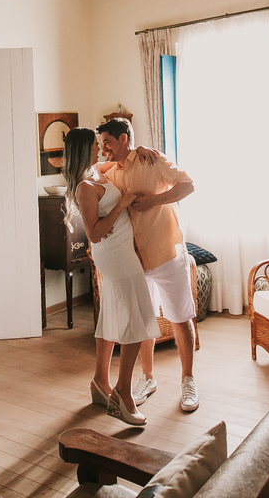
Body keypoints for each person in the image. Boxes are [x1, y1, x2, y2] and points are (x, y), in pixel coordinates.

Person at [95, 117, 199, 413]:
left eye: (108, 143)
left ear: (123, 139)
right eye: (101, 145)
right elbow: (90, 169)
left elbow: (187, 185)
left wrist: (155, 201)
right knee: (142, 320)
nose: (104, 150)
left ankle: (188, 380)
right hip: (135, 260)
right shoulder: (110, 171)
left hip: (165, 253)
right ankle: (148, 378)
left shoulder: (153, 161)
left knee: (181, 317)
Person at [62, 127, 159, 426]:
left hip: (121, 251)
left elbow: (120, 160)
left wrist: (140, 148)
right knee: (140, 318)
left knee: (111, 316)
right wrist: (122, 203)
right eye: (95, 144)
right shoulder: (85, 187)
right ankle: (122, 394)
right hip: (114, 253)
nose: (101, 148)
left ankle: (99, 382)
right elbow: (94, 233)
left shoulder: (96, 171)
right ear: (83, 150)